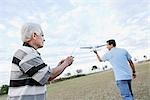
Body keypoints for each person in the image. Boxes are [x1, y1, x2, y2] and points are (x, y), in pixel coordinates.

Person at [7, 23, 74, 100]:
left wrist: (59, 66)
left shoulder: (27, 52)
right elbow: (49, 76)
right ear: (34, 35)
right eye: (42, 35)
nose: (44, 39)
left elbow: (44, 76)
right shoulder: (28, 53)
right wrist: (66, 63)